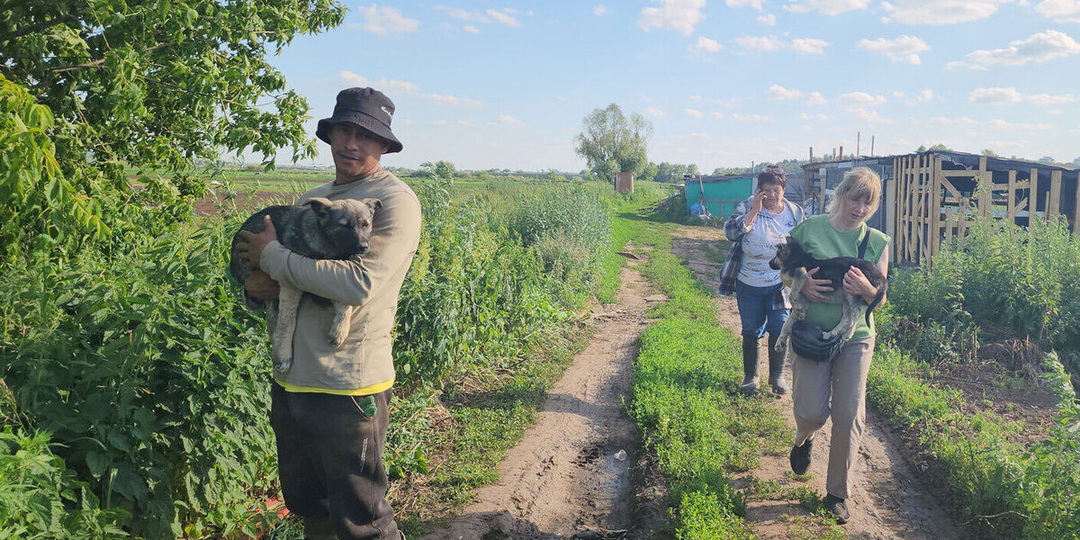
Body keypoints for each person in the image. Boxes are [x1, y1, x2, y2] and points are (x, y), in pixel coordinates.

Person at [235, 87, 421, 540]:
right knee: (309, 507)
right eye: (343, 130)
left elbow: (356, 283)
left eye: (364, 135)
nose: (351, 143)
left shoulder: (393, 202)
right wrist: (255, 288)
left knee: (363, 520)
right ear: (331, 136)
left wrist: (274, 259)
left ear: (383, 145)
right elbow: (274, 281)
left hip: (348, 385)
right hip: (292, 379)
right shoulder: (316, 199)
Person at [786, 166, 889, 525]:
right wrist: (800, 287)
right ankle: (803, 438)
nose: (859, 207)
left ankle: (836, 494)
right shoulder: (810, 228)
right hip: (811, 333)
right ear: (842, 194)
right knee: (811, 411)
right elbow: (785, 270)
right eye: (855, 198)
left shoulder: (876, 241)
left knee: (848, 415)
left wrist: (868, 290)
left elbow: (881, 297)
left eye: (867, 201)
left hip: (856, 338)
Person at [718, 165, 806, 395]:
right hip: (748, 281)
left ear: (783, 190)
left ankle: (776, 377)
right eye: (766, 190)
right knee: (751, 329)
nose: (771, 195)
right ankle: (751, 376)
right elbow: (730, 233)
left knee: (779, 326)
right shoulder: (747, 205)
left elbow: (804, 244)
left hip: (780, 284)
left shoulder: (795, 213)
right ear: (759, 191)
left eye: (776, 189)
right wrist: (754, 211)